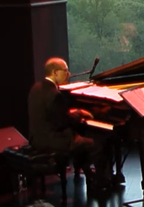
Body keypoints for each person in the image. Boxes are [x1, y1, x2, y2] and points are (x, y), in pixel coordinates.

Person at [27, 57, 108, 191]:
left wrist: (73, 112)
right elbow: (64, 122)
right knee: (95, 144)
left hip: (36, 139)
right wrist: (80, 114)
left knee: (80, 139)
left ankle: (89, 174)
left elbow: (53, 115)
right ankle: (100, 182)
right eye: (65, 71)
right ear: (54, 72)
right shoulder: (54, 94)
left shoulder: (36, 88)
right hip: (52, 141)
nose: (68, 74)